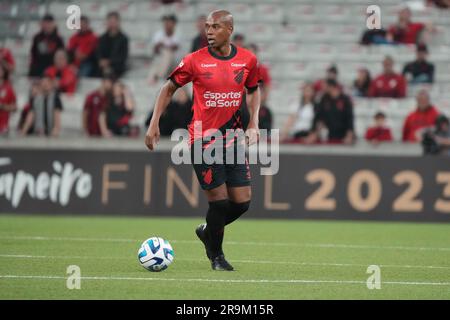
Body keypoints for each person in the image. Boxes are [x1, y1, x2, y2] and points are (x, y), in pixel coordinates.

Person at [145, 10, 261, 271]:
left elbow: (254, 90)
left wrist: (253, 122)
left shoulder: (247, 60)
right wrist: (154, 124)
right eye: (207, 26)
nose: (209, 31)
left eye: (215, 26)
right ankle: (216, 256)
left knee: (242, 203)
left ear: (229, 29)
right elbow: (168, 88)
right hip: (203, 142)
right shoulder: (194, 61)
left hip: (233, 140)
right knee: (219, 202)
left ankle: (208, 230)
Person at [307, 79, 354, 144]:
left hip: (344, 135)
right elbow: (318, 117)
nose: (322, 88)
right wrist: (314, 134)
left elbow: (350, 118)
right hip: (330, 135)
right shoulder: (324, 99)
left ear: (331, 86)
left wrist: (349, 136)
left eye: (324, 86)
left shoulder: (345, 99)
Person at [149, 14, 181, 83]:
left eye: (169, 22)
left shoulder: (178, 34)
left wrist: (163, 45)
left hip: (175, 64)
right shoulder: (158, 34)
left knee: (168, 53)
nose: (167, 25)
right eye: (165, 22)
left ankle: (159, 75)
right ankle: (156, 77)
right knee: (156, 64)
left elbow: (174, 47)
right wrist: (159, 46)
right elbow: (155, 50)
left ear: (174, 24)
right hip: (161, 62)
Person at [97, 12, 129, 78]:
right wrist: (101, 61)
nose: (112, 23)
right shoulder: (102, 38)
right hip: (102, 67)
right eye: (110, 21)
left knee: (109, 74)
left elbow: (123, 56)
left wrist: (109, 62)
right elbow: (98, 53)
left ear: (118, 22)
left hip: (117, 68)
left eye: (114, 21)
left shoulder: (123, 39)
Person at [0, 64, 17, 135]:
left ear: (4, 72)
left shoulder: (8, 87)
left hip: (3, 126)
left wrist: (2, 106)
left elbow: (14, 107)